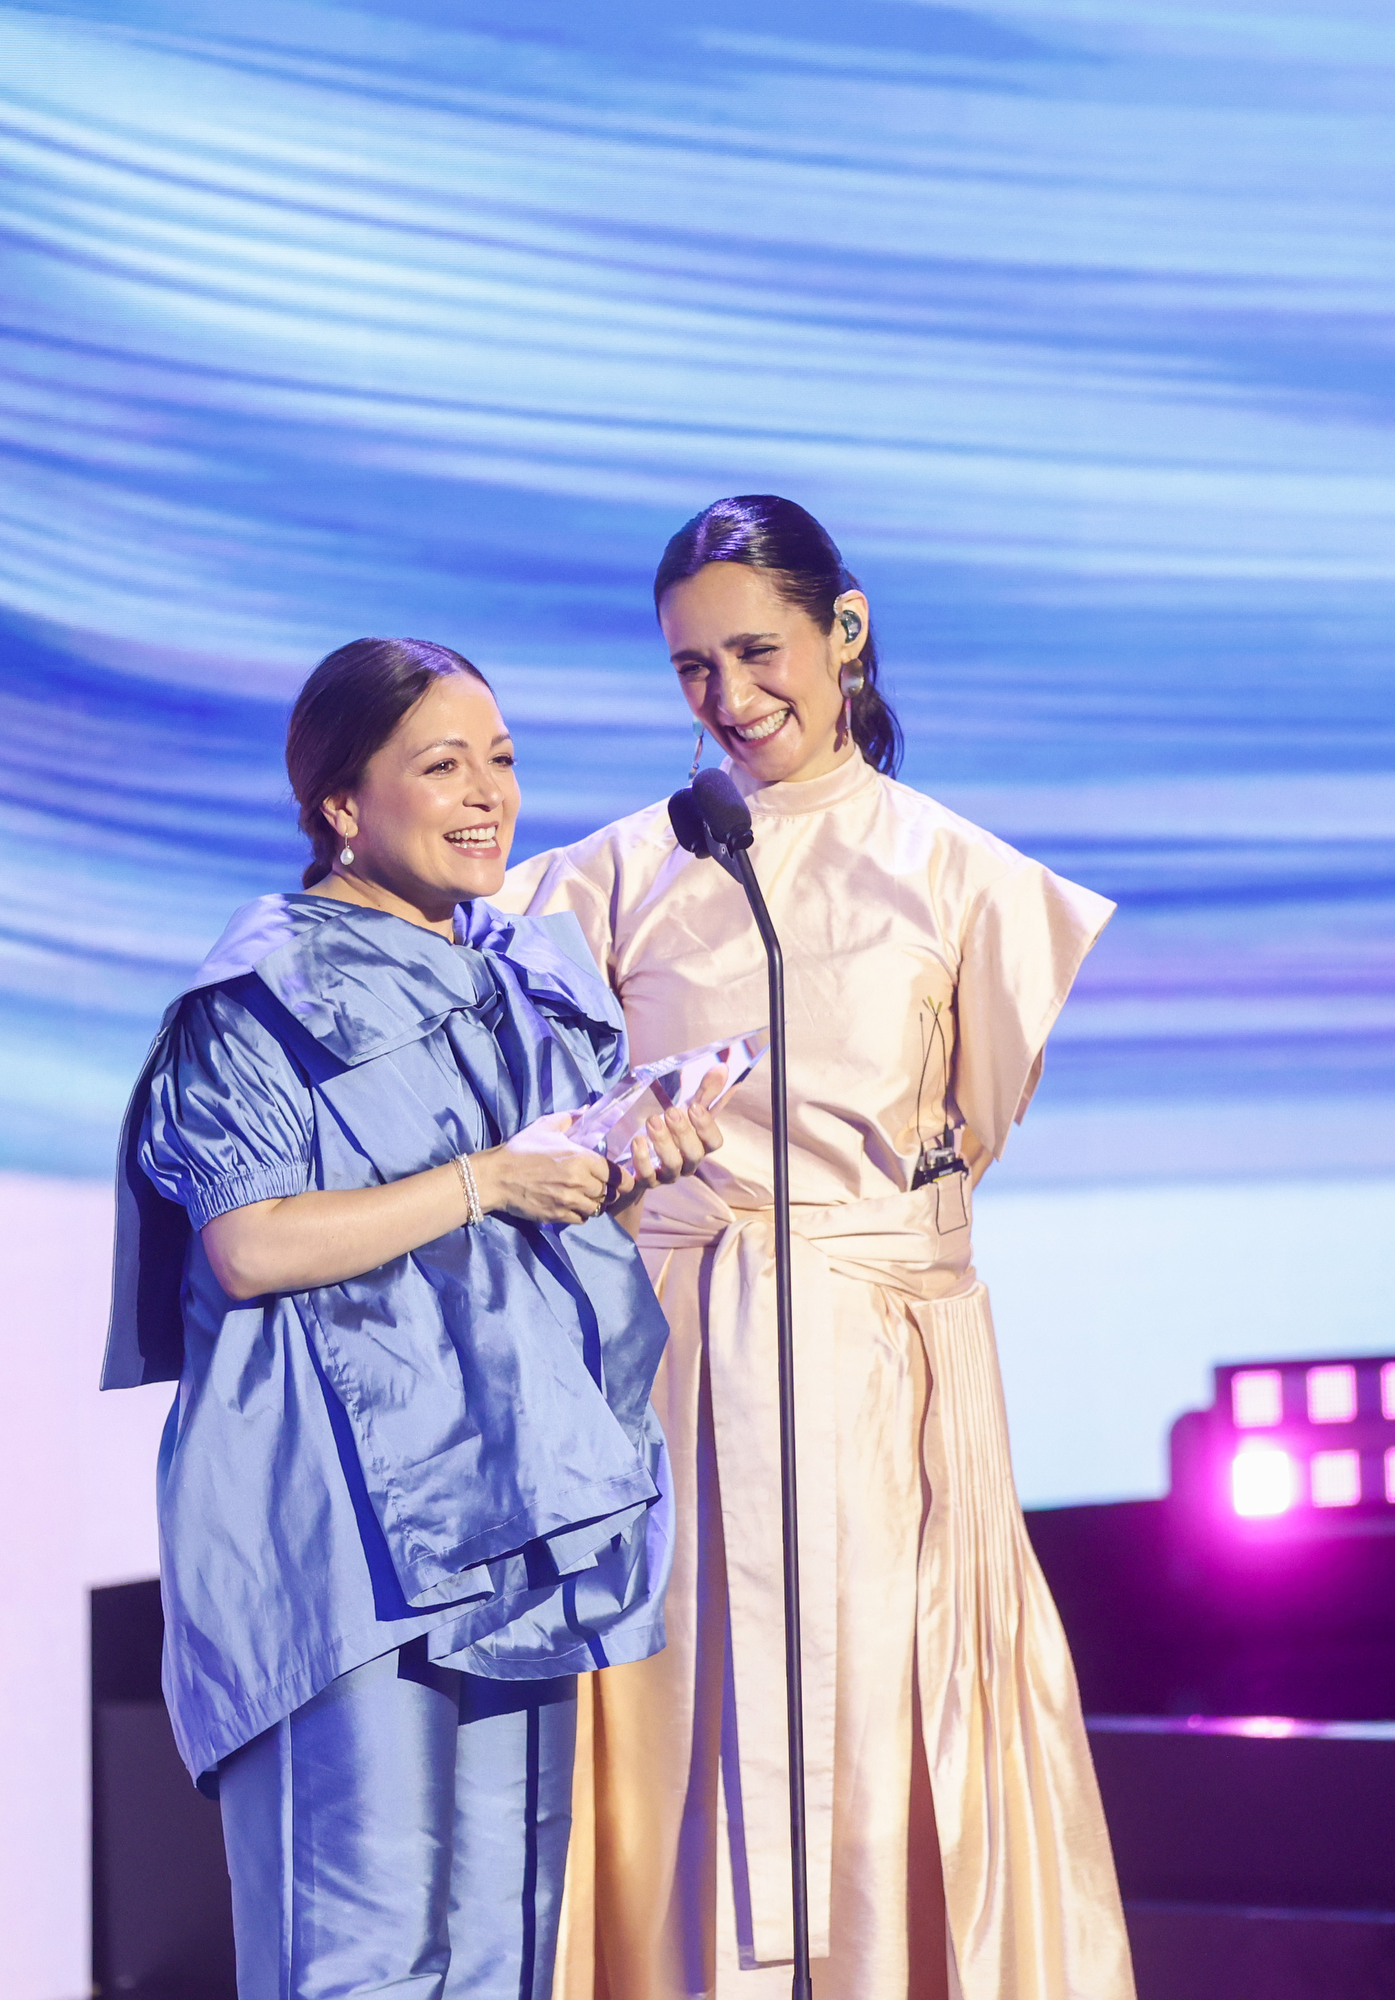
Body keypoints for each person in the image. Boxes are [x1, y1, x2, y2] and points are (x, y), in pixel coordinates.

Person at [498, 499, 1137, 1998]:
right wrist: (612, 1155)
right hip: (674, 1376)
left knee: (879, 1736)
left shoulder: (970, 879)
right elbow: (532, 1142)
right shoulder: (603, 878)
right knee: (680, 1736)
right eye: (691, 668)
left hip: (874, 1377)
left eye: (757, 650)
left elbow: (958, 1138)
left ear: (844, 631)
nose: (729, 699)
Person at [101, 637, 726, 2000]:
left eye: (500, 761)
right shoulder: (257, 1002)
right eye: (441, 765)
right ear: (341, 802)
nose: (487, 794)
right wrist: (485, 1180)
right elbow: (252, 1243)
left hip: (516, 1502)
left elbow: (536, 1229)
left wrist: (622, 1163)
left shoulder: (525, 978)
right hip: (339, 1543)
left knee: (505, 1951)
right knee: (366, 1957)